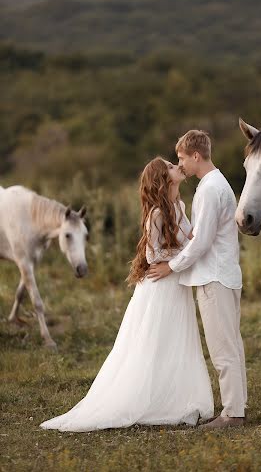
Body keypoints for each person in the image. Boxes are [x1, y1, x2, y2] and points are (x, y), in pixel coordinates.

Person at [40, 157, 213, 432]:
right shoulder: (157, 213)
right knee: (154, 342)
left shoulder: (179, 206)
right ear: (162, 179)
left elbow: (191, 237)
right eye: (169, 166)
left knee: (176, 340)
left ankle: (174, 396)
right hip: (161, 285)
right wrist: (182, 257)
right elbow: (152, 254)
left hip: (176, 283)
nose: (175, 166)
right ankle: (149, 398)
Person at [148, 130, 247, 429]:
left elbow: (201, 242)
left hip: (213, 276)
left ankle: (232, 414)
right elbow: (198, 234)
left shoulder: (208, 188)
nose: (181, 165)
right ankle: (239, 405)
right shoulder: (219, 184)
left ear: (195, 155)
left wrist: (172, 266)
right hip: (225, 272)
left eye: (181, 158)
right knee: (233, 343)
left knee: (222, 348)